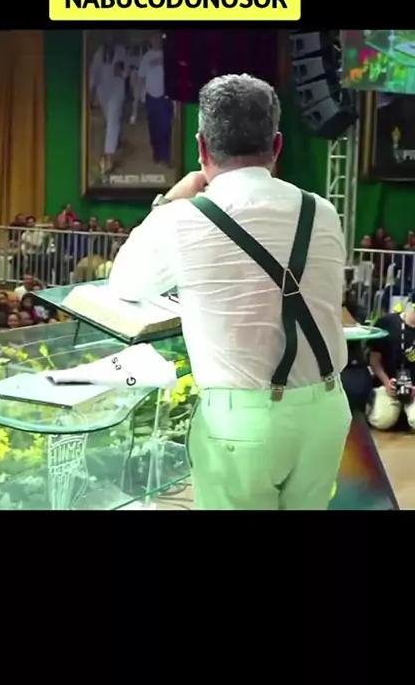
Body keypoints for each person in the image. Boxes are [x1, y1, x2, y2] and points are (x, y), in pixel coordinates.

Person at [109, 73, 350, 510]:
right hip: (327, 411)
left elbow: (123, 283)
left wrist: (168, 201)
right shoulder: (324, 211)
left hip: (240, 424)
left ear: (202, 147)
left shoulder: (180, 219)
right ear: (277, 146)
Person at [368, 293, 415, 431]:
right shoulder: (387, 323)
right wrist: (386, 382)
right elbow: (374, 359)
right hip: (388, 384)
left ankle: (405, 415)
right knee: (381, 421)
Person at [89, 35, 127, 175]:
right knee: (111, 119)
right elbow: (93, 74)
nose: (109, 38)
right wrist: (91, 93)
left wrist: (121, 70)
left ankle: (108, 156)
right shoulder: (99, 53)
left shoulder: (121, 51)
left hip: (117, 90)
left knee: (112, 119)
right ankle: (118, 139)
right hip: (103, 92)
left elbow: (125, 69)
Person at [137, 32, 173, 165]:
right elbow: (141, 77)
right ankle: (156, 152)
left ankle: (165, 156)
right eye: (154, 39)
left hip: (165, 97)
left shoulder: (168, 55)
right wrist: (140, 96)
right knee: (153, 127)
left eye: (158, 38)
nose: (156, 41)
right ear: (151, 41)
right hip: (151, 97)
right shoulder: (147, 57)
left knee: (166, 127)